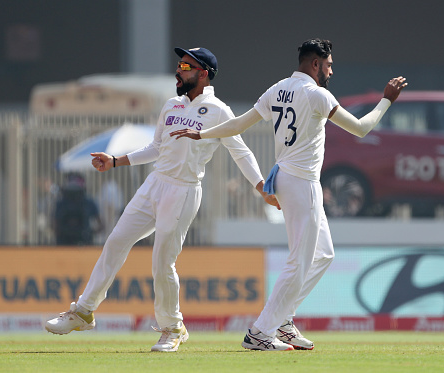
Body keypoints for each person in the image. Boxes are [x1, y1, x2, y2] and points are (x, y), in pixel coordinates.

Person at [170, 38, 407, 351]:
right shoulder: (317, 94)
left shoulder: (278, 88)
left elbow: (239, 123)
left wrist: (202, 132)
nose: (331, 71)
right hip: (301, 182)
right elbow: (362, 129)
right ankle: (260, 333)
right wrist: (387, 100)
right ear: (314, 64)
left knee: (323, 255)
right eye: (329, 65)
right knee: (298, 262)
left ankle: (282, 319)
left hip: (286, 177)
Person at [45, 46, 279, 352]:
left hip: (183, 190)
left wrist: (260, 184)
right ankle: (83, 312)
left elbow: (240, 151)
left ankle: (173, 328)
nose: (179, 71)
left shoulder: (219, 111)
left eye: (186, 66)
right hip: (154, 184)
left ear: (204, 74)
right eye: (180, 65)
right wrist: (116, 161)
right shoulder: (171, 105)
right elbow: (156, 147)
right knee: (116, 241)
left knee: (162, 261)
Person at [53, 173, 102, 245]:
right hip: (74, 242)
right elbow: (100, 225)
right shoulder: (88, 202)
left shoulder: (61, 203)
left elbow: (54, 225)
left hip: (70, 242)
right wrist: (90, 233)